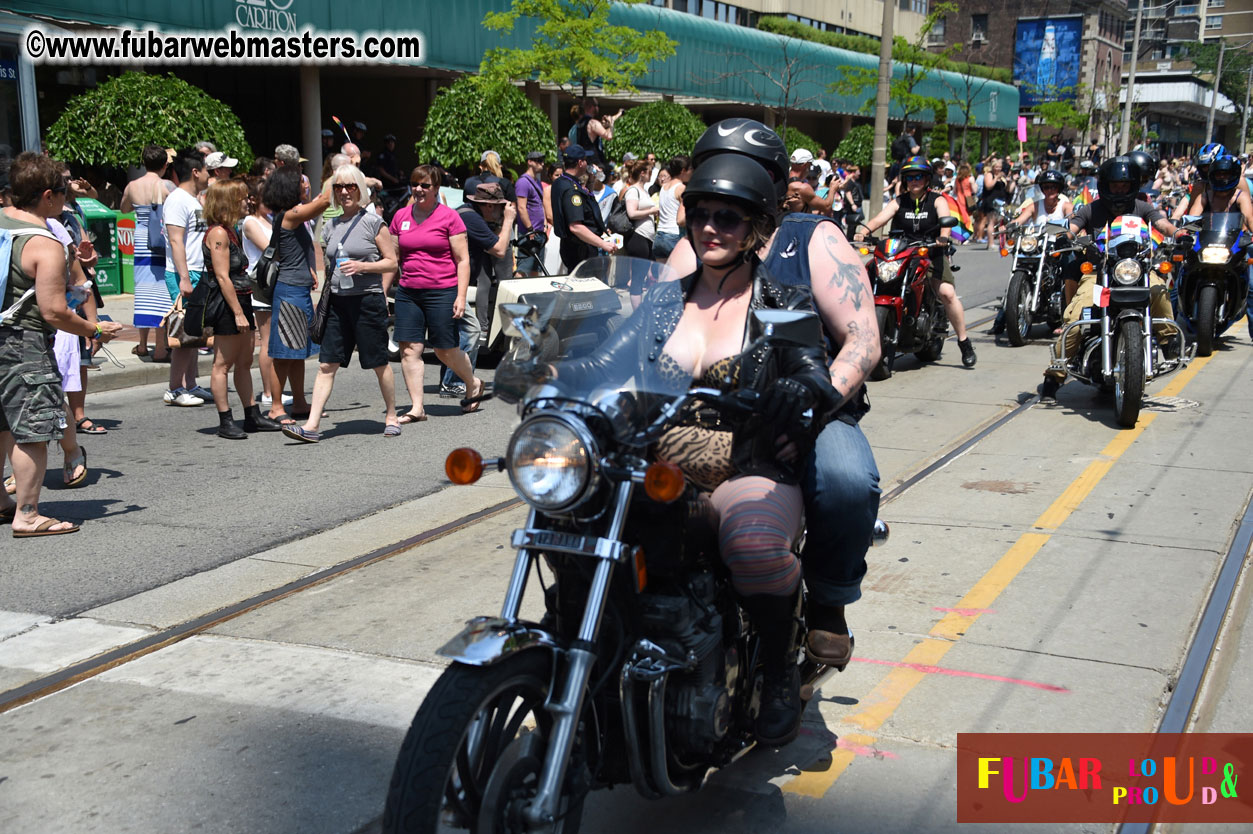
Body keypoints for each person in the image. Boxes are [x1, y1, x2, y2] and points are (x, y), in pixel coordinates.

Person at [504, 153, 839, 746]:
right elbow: (607, 362)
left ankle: (780, 672)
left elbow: (815, 370)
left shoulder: (781, 299)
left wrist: (798, 385)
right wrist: (550, 368)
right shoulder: (664, 299)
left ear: (757, 228)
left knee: (753, 539)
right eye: (701, 213)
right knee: (572, 511)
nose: (711, 227)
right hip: (658, 461)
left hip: (745, 461)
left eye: (729, 218)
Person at [666, 119, 881, 677]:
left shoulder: (812, 237)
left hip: (808, 405)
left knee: (845, 481)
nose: (725, 187)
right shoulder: (696, 246)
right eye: (711, 171)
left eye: (746, 176)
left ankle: (826, 600)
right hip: (704, 419)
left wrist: (808, 397)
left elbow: (862, 339)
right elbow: (649, 329)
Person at [0, 152, 123, 536]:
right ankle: (28, 513)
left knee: (1, 427)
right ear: (47, 196)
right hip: (25, 345)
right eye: (63, 196)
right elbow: (53, 311)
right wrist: (94, 329)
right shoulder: (45, 243)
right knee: (31, 433)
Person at [1038, 156, 1183, 401]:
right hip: (1099, 273)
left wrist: (1177, 233)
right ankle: (1055, 374)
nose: (1119, 190)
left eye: (1124, 185)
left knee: (1158, 289)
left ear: (1133, 186)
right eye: (1115, 185)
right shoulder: (1091, 208)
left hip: (1135, 270)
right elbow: (1072, 227)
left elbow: (1163, 224)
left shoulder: (1142, 206)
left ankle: (1169, 342)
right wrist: (1067, 236)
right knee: (1075, 315)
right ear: (1105, 185)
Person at [282, 165, 400, 442]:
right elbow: (329, 260)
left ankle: (392, 415)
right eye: (339, 187)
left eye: (350, 187)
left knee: (378, 362)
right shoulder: (331, 225)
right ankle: (311, 426)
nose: (344, 192)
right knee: (326, 364)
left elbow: (392, 261)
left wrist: (362, 266)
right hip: (337, 301)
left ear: (360, 189)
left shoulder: (373, 222)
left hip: (367, 300)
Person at [857, 156, 977, 367]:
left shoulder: (937, 200)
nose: (914, 181)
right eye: (910, 177)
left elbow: (944, 219)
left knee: (947, 293)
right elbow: (880, 218)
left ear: (927, 179)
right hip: (902, 253)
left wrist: (943, 236)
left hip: (931, 251)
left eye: (919, 176)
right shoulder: (899, 201)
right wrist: (865, 231)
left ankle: (964, 342)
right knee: (870, 278)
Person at [389, 165, 484, 421]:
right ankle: (417, 408)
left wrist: (461, 296)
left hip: (442, 290)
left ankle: (472, 382)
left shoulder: (449, 217)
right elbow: (392, 257)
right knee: (409, 349)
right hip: (409, 292)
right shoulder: (400, 217)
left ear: (436, 188)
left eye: (425, 185)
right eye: (415, 184)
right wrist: (382, 288)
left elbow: (463, 260)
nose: (418, 189)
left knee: (445, 350)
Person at [200, 179, 281, 438]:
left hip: (242, 298)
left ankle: (252, 415)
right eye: (242, 198)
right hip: (227, 304)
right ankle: (225, 420)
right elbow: (222, 277)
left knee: (245, 361)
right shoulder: (218, 234)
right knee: (222, 364)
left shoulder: (230, 229)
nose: (248, 201)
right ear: (228, 201)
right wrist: (236, 312)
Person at [260, 166, 330, 424]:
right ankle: (276, 407)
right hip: (290, 292)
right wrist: (342, 172)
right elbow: (324, 201)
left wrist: (309, 269)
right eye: (302, 181)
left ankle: (299, 403)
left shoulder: (288, 215)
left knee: (297, 352)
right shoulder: (291, 215)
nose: (306, 185)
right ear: (290, 187)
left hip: (296, 289)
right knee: (284, 355)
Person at [442, 182, 516, 397]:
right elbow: (500, 250)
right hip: (451, 283)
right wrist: (509, 220)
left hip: (451, 282)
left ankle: (452, 381)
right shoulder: (471, 218)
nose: (502, 212)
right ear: (488, 206)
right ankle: (454, 382)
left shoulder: (468, 214)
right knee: (469, 331)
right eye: (500, 207)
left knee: (455, 335)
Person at [163, 149, 214, 407]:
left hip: (198, 271)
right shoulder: (176, 200)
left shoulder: (193, 199)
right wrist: (184, 277)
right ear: (195, 172)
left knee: (195, 332)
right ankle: (175, 388)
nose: (209, 174)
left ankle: (191, 384)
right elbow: (175, 240)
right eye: (206, 169)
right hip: (185, 273)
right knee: (182, 332)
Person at [121, 145, 174, 362]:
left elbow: (125, 208)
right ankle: (161, 347)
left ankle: (143, 344)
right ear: (164, 165)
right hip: (159, 239)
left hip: (141, 239)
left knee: (143, 291)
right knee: (162, 293)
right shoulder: (165, 185)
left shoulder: (133, 185)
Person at [240, 176, 287, 408]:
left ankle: (276, 389)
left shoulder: (270, 219)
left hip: (276, 281)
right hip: (261, 284)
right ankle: (268, 392)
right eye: (266, 198)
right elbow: (271, 250)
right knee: (267, 339)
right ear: (255, 199)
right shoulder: (250, 222)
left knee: (276, 339)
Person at [551, 145, 615, 270]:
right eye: (586, 160)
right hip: (580, 249)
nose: (588, 163)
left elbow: (585, 201)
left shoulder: (562, 182)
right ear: (580, 163)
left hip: (574, 247)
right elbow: (575, 227)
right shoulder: (571, 190)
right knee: (587, 286)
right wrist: (603, 244)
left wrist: (591, 180)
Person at [620, 158, 659, 306]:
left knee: (642, 276)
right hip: (638, 236)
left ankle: (640, 310)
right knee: (637, 278)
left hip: (646, 237)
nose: (651, 174)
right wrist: (652, 210)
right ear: (643, 173)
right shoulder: (633, 190)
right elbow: (632, 213)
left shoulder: (643, 190)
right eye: (649, 171)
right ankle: (637, 314)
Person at [514, 151, 548, 276]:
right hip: (528, 233)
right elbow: (521, 208)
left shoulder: (537, 181)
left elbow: (540, 204)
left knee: (536, 270)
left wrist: (544, 225)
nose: (542, 164)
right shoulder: (523, 182)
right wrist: (530, 229)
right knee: (523, 270)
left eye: (542, 161)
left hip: (539, 232)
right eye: (539, 160)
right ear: (530, 162)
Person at [653, 156, 691, 261]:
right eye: (690, 169)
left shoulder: (664, 187)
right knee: (679, 274)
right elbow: (682, 219)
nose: (692, 172)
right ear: (683, 170)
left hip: (660, 236)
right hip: (674, 235)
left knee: (662, 275)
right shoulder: (681, 188)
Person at [574, 98, 621, 170]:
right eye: (597, 105)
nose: (598, 108)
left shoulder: (579, 123)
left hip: (583, 160)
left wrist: (617, 115)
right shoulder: (593, 123)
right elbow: (609, 136)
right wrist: (611, 123)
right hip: (594, 162)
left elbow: (601, 129)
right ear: (592, 107)